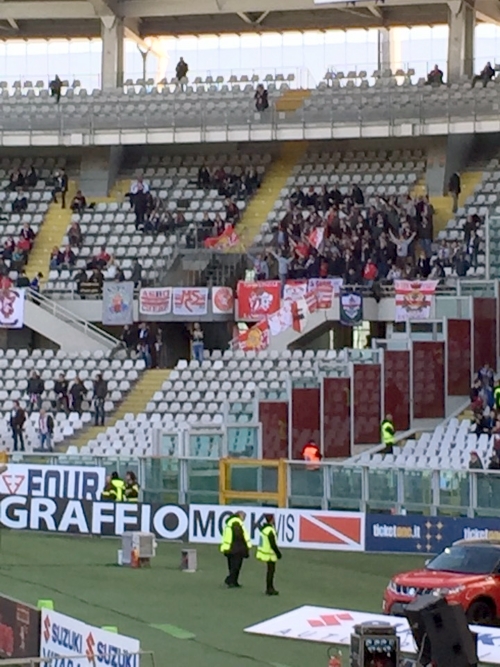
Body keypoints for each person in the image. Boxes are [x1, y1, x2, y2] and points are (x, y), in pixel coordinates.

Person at [220, 510, 252, 588]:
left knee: (232, 566)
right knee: (236, 566)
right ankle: (230, 580)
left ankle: (233, 581)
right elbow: (238, 535)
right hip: (236, 548)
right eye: (243, 517)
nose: (244, 519)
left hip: (229, 547)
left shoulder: (230, 522)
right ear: (240, 516)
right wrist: (244, 546)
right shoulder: (236, 523)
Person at [256, 514, 282, 596]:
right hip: (270, 554)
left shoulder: (264, 529)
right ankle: (269, 588)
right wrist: (278, 553)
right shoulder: (270, 530)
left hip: (265, 553)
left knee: (269, 571)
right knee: (271, 572)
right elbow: (273, 544)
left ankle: (269, 588)